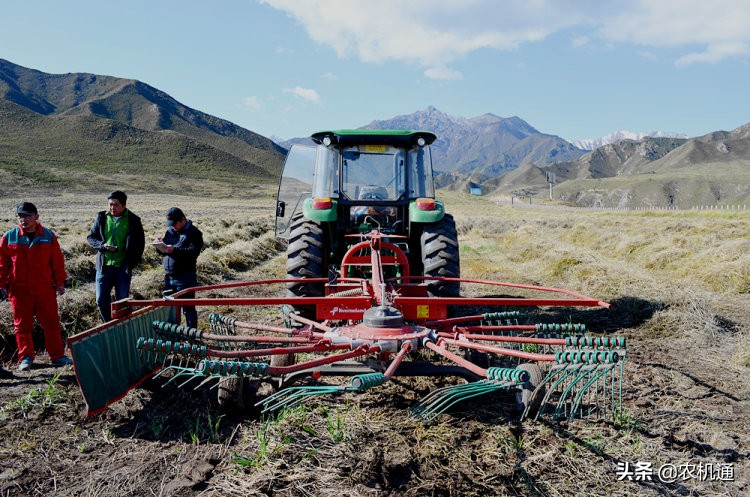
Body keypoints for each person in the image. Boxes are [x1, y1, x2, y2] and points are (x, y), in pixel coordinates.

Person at [0, 202, 72, 371]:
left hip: (44, 288)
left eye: (27, 216)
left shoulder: (48, 236)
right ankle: (26, 357)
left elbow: (57, 261)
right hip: (19, 290)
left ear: (36, 217)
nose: (23, 220)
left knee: (52, 322)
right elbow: (2, 264)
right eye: (20, 216)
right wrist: (1, 284)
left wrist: (60, 282)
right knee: (22, 325)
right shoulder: (9, 237)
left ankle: (57, 356)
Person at [87, 191, 145, 322]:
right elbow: (91, 237)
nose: (112, 207)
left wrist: (132, 263)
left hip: (122, 268)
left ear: (124, 205)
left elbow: (140, 244)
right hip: (104, 267)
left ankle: (121, 325)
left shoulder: (133, 220)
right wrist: (102, 246)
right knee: (101, 300)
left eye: (116, 205)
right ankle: (108, 324)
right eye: (110, 204)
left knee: (122, 301)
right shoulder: (101, 217)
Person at [153, 207, 203, 328]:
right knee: (170, 308)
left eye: (174, 223)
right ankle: (173, 336)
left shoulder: (194, 233)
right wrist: (159, 246)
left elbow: (193, 253)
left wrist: (175, 250)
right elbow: (165, 251)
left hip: (185, 276)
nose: (173, 226)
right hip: (169, 277)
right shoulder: (169, 231)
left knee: (188, 308)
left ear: (182, 220)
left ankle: (192, 338)